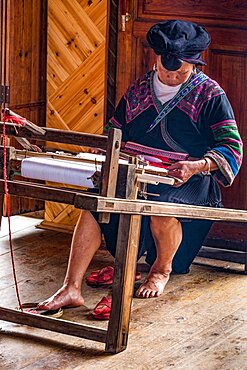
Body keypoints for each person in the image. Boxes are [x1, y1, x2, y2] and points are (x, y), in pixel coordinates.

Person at [38, 19, 242, 309]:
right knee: (94, 203)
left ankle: (160, 270)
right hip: (136, 172)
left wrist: (197, 166)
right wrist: (101, 152)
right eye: (165, 71)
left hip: (187, 178)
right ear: (156, 59)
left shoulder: (209, 94)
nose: (172, 78)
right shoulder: (139, 89)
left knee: (161, 205)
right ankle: (70, 288)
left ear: (195, 65)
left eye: (180, 73)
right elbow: (114, 131)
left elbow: (231, 147)